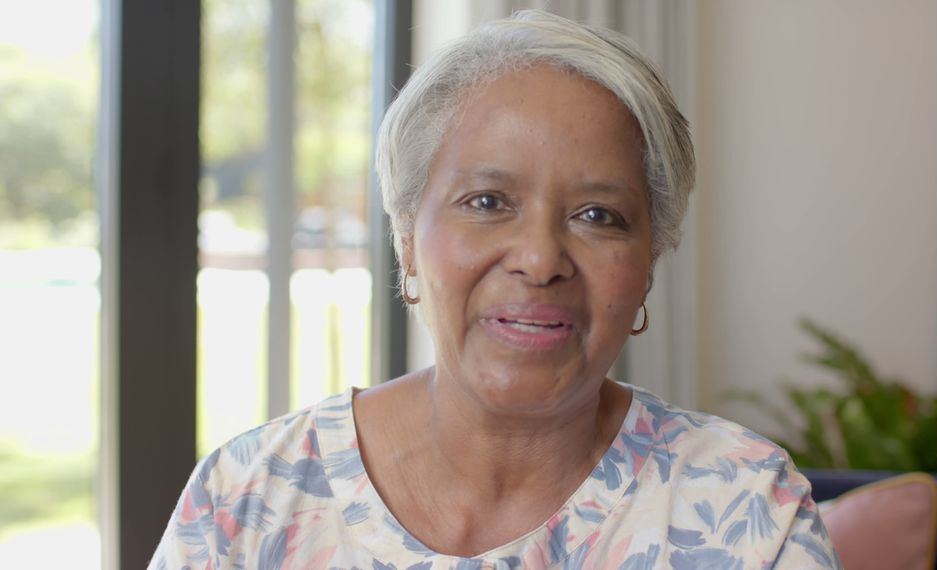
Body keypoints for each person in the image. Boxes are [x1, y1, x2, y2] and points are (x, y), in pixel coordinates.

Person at [152, 10, 838, 569]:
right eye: (486, 201)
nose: (541, 261)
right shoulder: (248, 495)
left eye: (598, 216)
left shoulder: (748, 509)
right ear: (406, 241)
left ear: (649, 260)